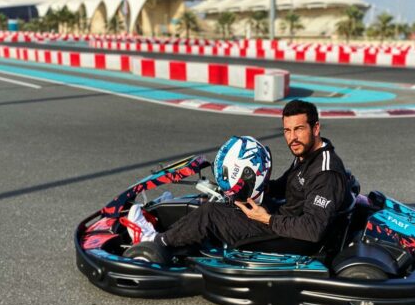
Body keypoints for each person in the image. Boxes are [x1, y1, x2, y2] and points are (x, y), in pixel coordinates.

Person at [127, 99, 352, 253]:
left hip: (288, 238)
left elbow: (312, 230)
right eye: (287, 130)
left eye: (299, 129)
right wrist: (243, 187)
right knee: (221, 198)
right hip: (282, 219)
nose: (292, 137)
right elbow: (285, 187)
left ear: (315, 128)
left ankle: (154, 241)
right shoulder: (308, 156)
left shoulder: (326, 173)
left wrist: (266, 218)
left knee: (210, 213)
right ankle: (174, 226)